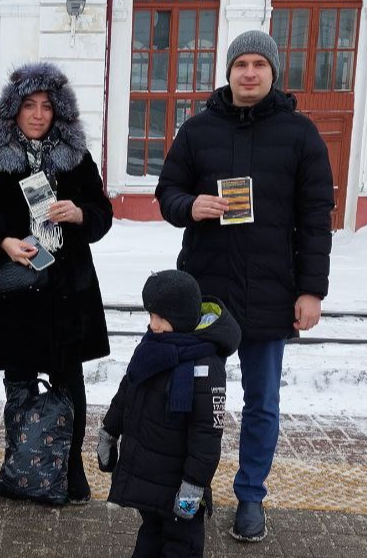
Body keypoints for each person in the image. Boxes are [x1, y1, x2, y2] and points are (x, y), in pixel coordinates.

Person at [155, 30, 334, 541]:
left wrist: (311, 291)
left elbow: (316, 218)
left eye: (259, 63)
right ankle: (193, 485)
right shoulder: (197, 130)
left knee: (261, 403)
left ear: (273, 71)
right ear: (228, 71)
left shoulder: (301, 135)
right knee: (191, 396)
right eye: (241, 64)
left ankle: (251, 496)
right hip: (206, 292)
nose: (249, 72)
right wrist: (191, 206)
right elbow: (168, 191)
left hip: (272, 292)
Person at [0, 62, 113, 503]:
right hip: (15, 293)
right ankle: (21, 463)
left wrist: (80, 213)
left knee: (70, 383)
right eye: (30, 105)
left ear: (59, 111)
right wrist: (2, 242)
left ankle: (73, 469)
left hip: (67, 291)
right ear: (14, 110)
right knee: (19, 386)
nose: (39, 114)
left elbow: (102, 215)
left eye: (47, 106)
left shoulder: (77, 157)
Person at [97, 270, 241, 557]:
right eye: (150, 315)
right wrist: (109, 431)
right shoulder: (152, 347)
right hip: (148, 476)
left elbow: (207, 437)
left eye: (160, 318)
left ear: (182, 316)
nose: (153, 324)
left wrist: (194, 486)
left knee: (181, 545)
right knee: (150, 534)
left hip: (180, 486)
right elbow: (128, 389)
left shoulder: (205, 366)